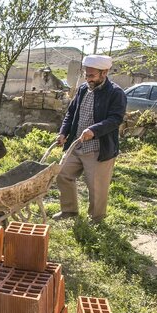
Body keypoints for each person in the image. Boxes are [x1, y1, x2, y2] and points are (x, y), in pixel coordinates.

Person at [53, 54, 127, 223]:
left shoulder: (116, 93)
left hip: (98, 148)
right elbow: (71, 113)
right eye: (86, 75)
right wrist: (63, 132)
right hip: (76, 145)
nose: (88, 79)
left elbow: (115, 119)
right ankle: (69, 211)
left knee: (96, 186)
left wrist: (94, 130)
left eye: (92, 75)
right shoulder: (83, 89)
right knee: (63, 175)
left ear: (104, 73)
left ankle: (96, 218)